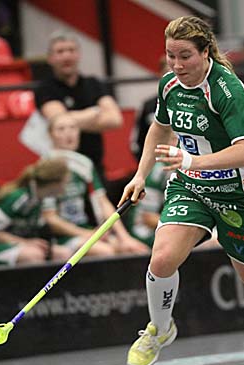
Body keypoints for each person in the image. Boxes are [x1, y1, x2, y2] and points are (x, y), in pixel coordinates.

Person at [118, 16, 244, 365]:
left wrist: (192, 160)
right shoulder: (169, 85)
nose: (176, 65)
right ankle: (159, 329)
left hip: (237, 195)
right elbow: (159, 128)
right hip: (191, 187)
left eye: (185, 56)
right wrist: (140, 175)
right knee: (162, 259)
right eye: (171, 56)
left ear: (205, 52)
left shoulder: (227, 89)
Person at [43, 113, 149, 255]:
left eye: (73, 127)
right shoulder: (46, 167)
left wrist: (124, 238)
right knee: (107, 252)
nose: (68, 133)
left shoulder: (84, 164)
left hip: (87, 230)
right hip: (61, 238)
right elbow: (50, 218)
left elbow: (102, 202)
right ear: (50, 134)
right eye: (61, 129)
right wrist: (87, 234)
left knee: (137, 250)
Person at [34, 30, 123, 178]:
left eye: (71, 50)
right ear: (50, 58)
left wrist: (71, 120)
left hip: (95, 167)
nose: (66, 56)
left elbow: (115, 119)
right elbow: (59, 121)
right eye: (60, 52)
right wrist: (94, 113)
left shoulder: (94, 84)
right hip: (61, 169)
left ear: (78, 54)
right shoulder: (45, 89)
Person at [0, 158, 73, 267]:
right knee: (33, 255)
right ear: (54, 182)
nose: (67, 187)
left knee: (63, 253)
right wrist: (25, 242)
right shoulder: (18, 198)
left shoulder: (39, 200)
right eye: (65, 183)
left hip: (10, 245)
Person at [131, 58, 171, 161]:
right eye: (167, 73)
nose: (172, 77)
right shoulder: (148, 106)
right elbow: (137, 143)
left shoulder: (197, 102)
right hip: (157, 163)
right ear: (160, 75)